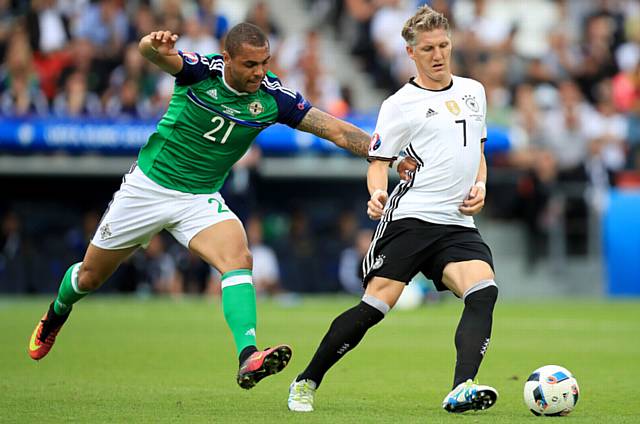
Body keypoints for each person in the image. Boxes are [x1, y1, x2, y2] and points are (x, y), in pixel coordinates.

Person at [27, 22, 391, 391]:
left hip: (199, 197)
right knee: (89, 277)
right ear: (228, 58)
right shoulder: (201, 72)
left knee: (238, 257)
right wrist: (152, 45)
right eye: (250, 64)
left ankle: (248, 355)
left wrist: (386, 154)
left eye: (264, 62)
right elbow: (153, 54)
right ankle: (56, 313)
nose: (260, 72)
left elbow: (334, 129)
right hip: (149, 188)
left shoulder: (272, 97)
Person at [288, 6, 499, 413]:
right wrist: (377, 193)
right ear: (410, 53)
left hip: (456, 221)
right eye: (427, 49)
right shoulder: (400, 104)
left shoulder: (474, 91)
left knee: (483, 290)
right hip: (411, 217)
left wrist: (481, 185)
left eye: (443, 45)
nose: (437, 55)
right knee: (375, 307)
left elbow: (479, 151)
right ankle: (306, 381)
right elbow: (378, 162)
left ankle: (462, 387)